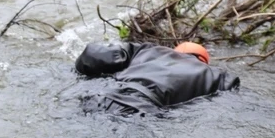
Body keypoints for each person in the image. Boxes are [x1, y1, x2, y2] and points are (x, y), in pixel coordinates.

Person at [74, 40, 240, 115]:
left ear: (176, 50)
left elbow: (95, 54)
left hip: (101, 97)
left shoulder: (148, 49)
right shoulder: (217, 76)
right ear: (205, 61)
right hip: (140, 111)